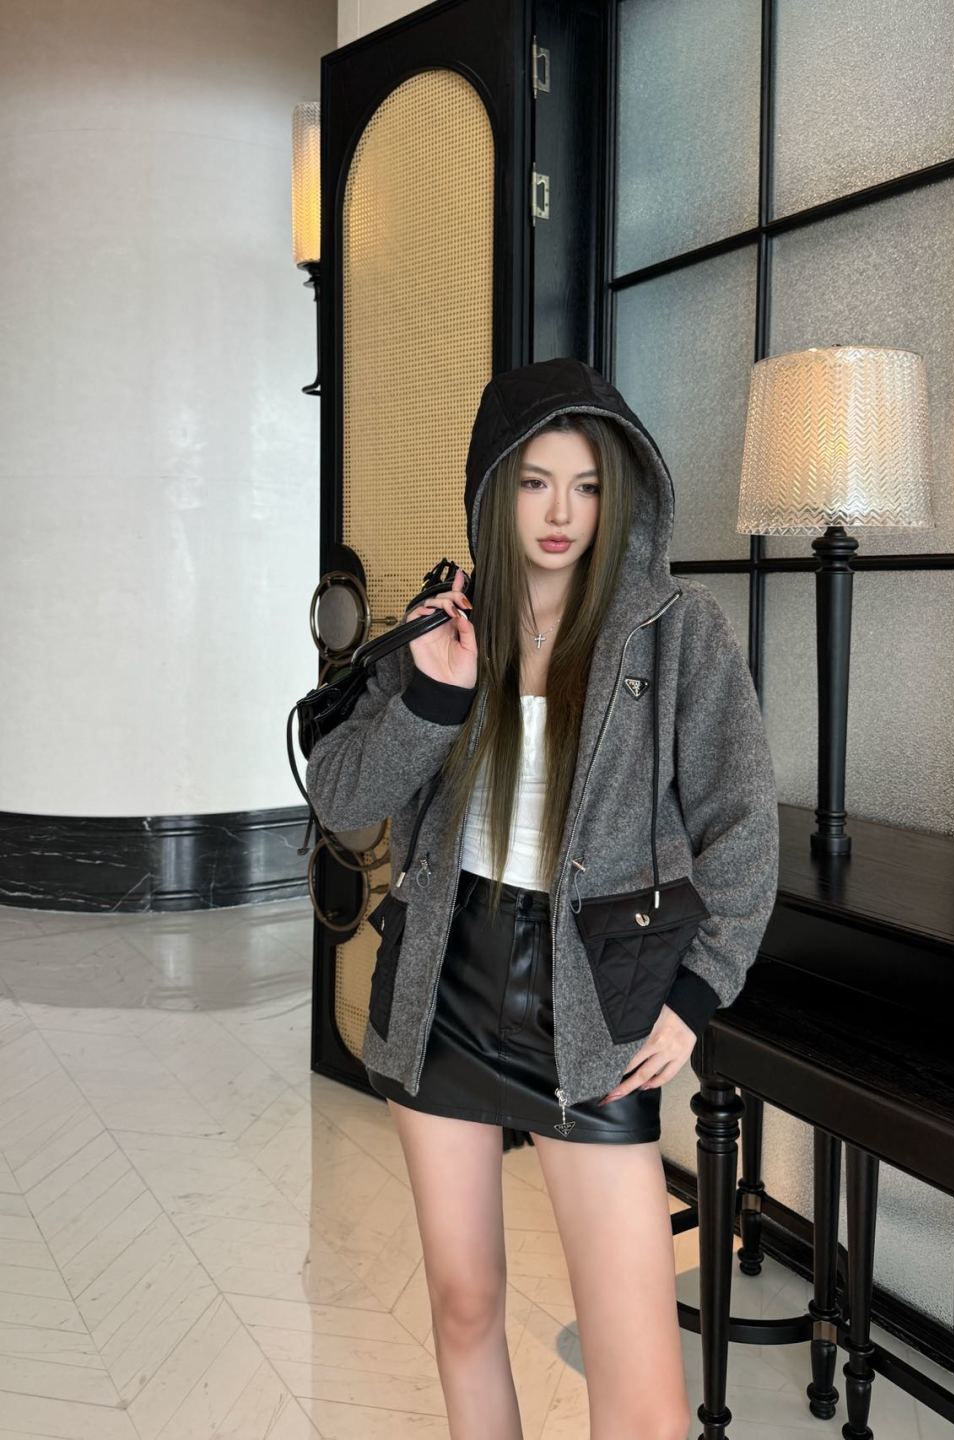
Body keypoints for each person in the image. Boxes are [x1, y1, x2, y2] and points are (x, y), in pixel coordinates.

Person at [304, 357, 780, 1439]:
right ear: (493, 490)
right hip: (444, 980)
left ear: (622, 494)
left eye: (587, 485)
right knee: (465, 1306)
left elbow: (744, 826)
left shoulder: (677, 632)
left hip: (594, 997)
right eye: (533, 483)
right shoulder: (447, 627)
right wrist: (434, 696)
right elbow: (341, 796)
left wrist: (697, 992)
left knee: (644, 1395)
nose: (561, 513)